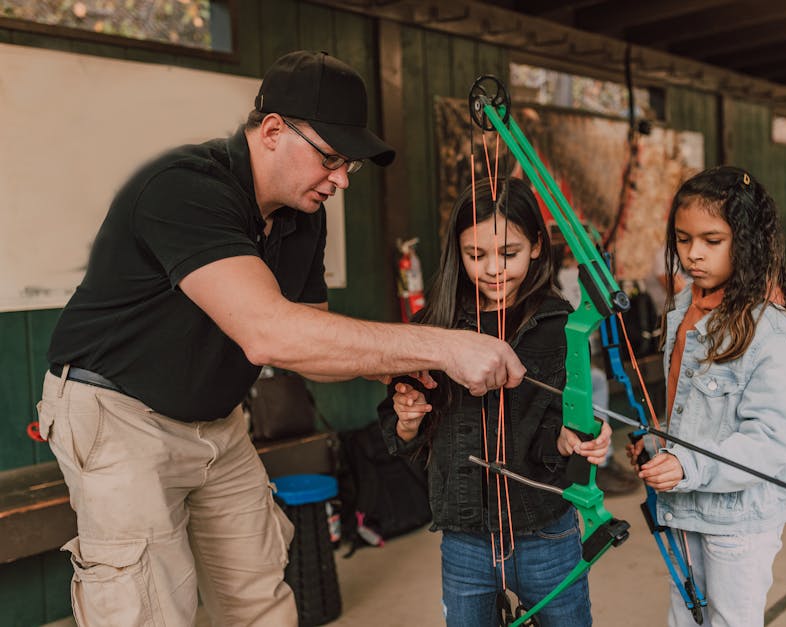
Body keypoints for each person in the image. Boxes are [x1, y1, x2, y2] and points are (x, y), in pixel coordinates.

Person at [39, 50, 524, 627]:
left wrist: (389, 367)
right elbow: (270, 334)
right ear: (272, 131)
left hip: (218, 422)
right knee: (146, 609)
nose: (341, 179)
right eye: (332, 159)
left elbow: (311, 342)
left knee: (262, 597)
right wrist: (446, 346)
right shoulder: (183, 189)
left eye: (352, 165)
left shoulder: (303, 214)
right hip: (118, 417)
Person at [378, 177, 612, 627]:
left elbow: (559, 425)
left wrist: (572, 437)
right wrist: (408, 419)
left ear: (538, 246)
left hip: (545, 529)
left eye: (509, 253)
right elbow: (401, 425)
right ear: (457, 252)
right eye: (475, 255)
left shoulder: (560, 323)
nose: (493, 269)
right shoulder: (435, 325)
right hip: (466, 536)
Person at [628, 166, 786, 627]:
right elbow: (689, 410)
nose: (693, 255)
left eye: (712, 241)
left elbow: (770, 440)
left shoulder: (770, 330)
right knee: (685, 615)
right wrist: (660, 445)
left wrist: (687, 464)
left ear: (749, 241)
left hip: (739, 516)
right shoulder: (682, 308)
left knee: (731, 620)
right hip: (686, 502)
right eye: (683, 239)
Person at [556, 247, 639, 495]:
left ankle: (604, 458)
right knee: (593, 381)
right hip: (556, 364)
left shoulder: (574, 279)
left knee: (597, 379)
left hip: (576, 356)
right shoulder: (552, 284)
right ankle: (597, 464)